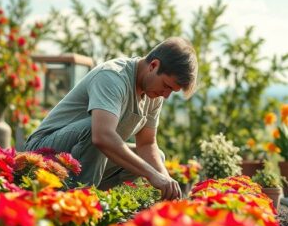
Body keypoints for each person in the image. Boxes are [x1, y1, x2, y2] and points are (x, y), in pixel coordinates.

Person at [24, 37, 197, 200]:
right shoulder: (113, 76)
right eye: (166, 86)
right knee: (97, 130)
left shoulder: (154, 94)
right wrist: (152, 174)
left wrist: (166, 182)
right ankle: (80, 203)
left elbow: (147, 144)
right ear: (153, 65)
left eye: (171, 91)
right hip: (43, 152)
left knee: (156, 157)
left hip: (80, 158)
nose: (165, 95)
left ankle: (94, 198)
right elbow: (102, 136)